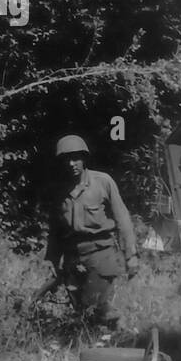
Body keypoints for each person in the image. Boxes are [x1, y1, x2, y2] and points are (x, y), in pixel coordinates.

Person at [42, 134, 139, 329]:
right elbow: (55, 230)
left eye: (76, 158)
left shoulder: (103, 182)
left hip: (101, 254)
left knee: (94, 305)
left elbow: (123, 219)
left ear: (84, 158)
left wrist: (131, 255)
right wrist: (52, 260)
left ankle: (117, 335)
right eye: (67, 159)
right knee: (80, 309)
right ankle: (93, 342)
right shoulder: (59, 190)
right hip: (73, 257)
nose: (72, 163)